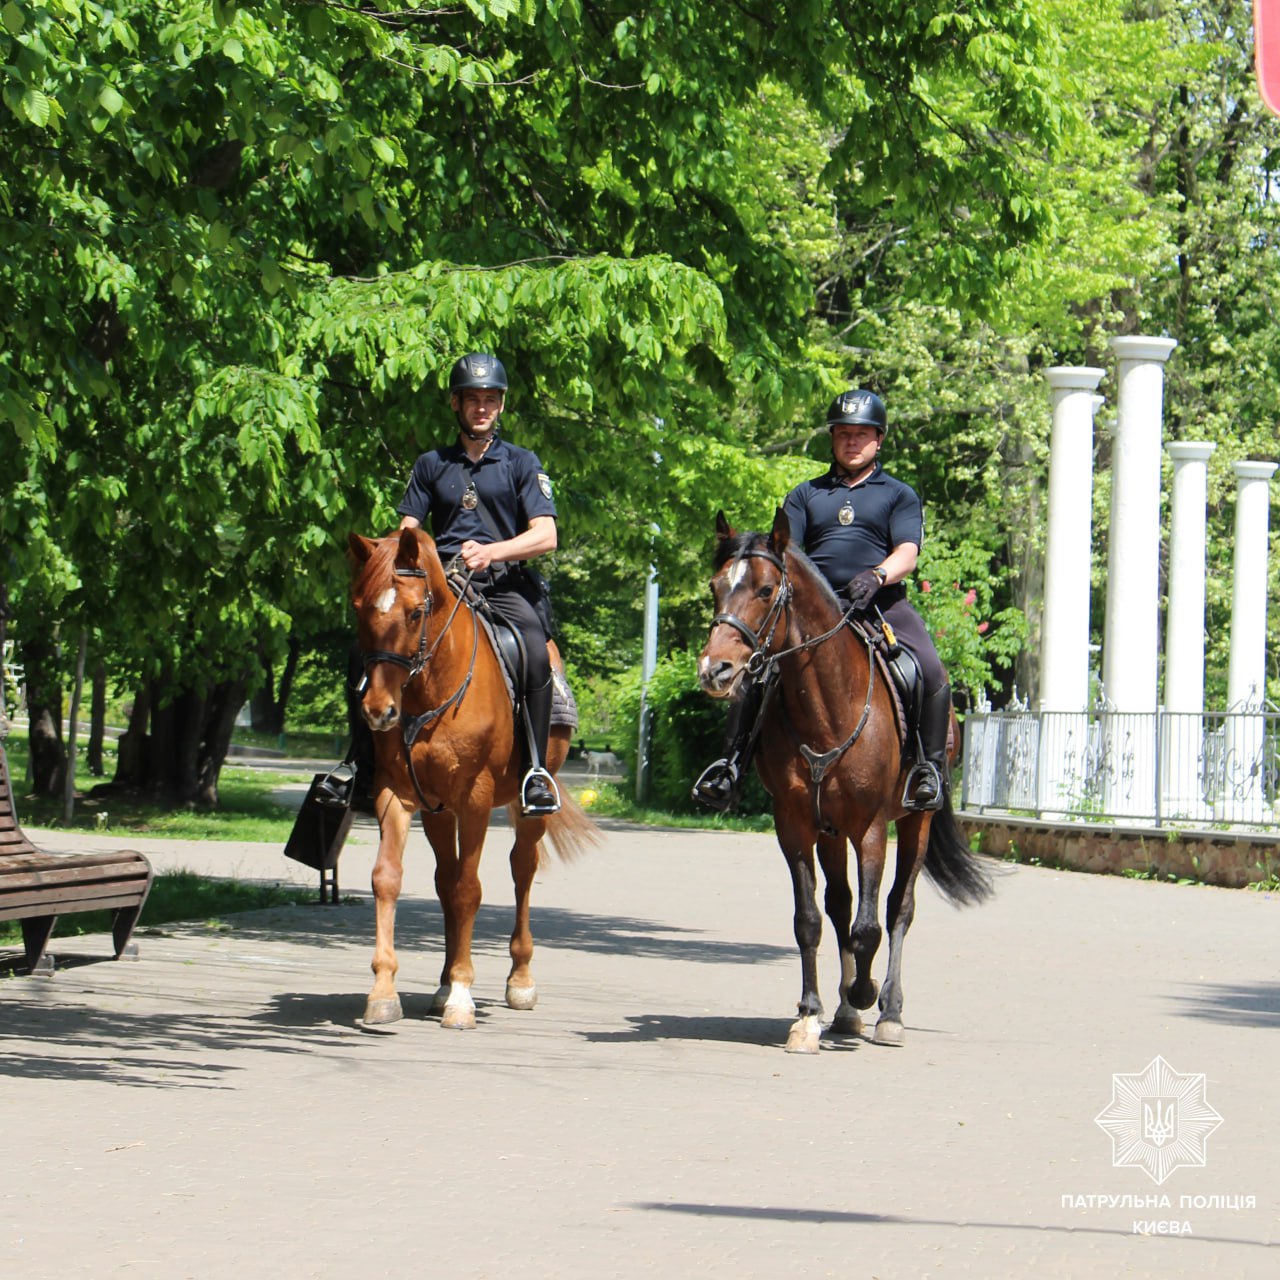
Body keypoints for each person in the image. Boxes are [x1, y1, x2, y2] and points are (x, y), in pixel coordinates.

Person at [693, 388, 951, 812]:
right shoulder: (805, 495)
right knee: (758, 674)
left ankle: (929, 770)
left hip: (880, 603)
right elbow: (784, 554)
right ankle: (730, 765)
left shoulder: (898, 494)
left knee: (929, 668)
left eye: (862, 434)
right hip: (813, 612)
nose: (852, 441)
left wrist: (878, 575)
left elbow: (908, 552)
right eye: (844, 433)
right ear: (832, 438)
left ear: (879, 439)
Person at [396, 352, 561, 815]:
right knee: (375, 644)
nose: (482, 408)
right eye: (473, 400)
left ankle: (535, 772)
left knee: (531, 647)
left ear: (502, 405)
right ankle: (359, 764)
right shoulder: (431, 464)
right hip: (440, 585)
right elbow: (408, 530)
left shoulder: (523, 462)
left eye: (491, 400)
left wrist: (492, 551)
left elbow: (546, 535)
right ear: (456, 404)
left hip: (501, 583)